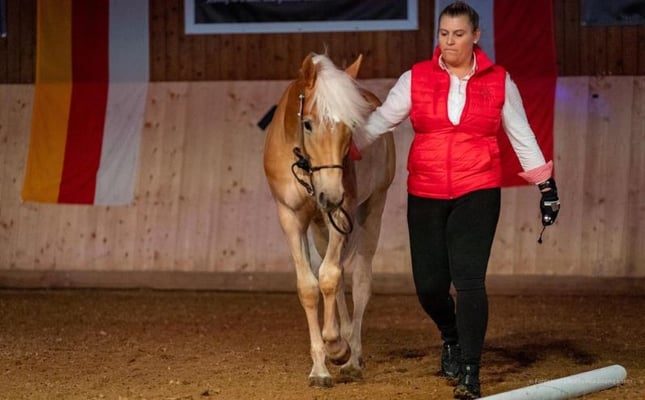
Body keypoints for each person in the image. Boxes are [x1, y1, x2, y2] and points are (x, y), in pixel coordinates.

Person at [357, 1, 560, 399]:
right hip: (426, 192)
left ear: (475, 37)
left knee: (469, 282)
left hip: (478, 190)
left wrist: (546, 186)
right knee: (429, 287)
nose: (449, 42)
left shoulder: (499, 81)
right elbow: (379, 123)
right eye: (444, 34)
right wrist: (342, 149)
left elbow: (521, 134)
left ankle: (470, 371)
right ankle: (450, 336)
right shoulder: (415, 78)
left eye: (459, 34)